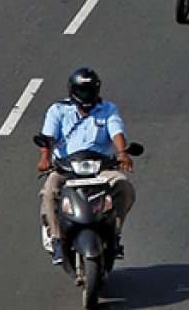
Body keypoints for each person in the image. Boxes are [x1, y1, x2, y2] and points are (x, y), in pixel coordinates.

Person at [37, 68, 136, 265]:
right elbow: (49, 137)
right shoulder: (58, 110)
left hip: (100, 167)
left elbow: (116, 131)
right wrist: (45, 158)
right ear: (73, 91)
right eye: (82, 91)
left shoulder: (108, 109)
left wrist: (123, 152)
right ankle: (57, 239)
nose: (87, 95)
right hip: (66, 168)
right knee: (49, 191)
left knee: (123, 186)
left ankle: (114, 233)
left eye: (90, 91)